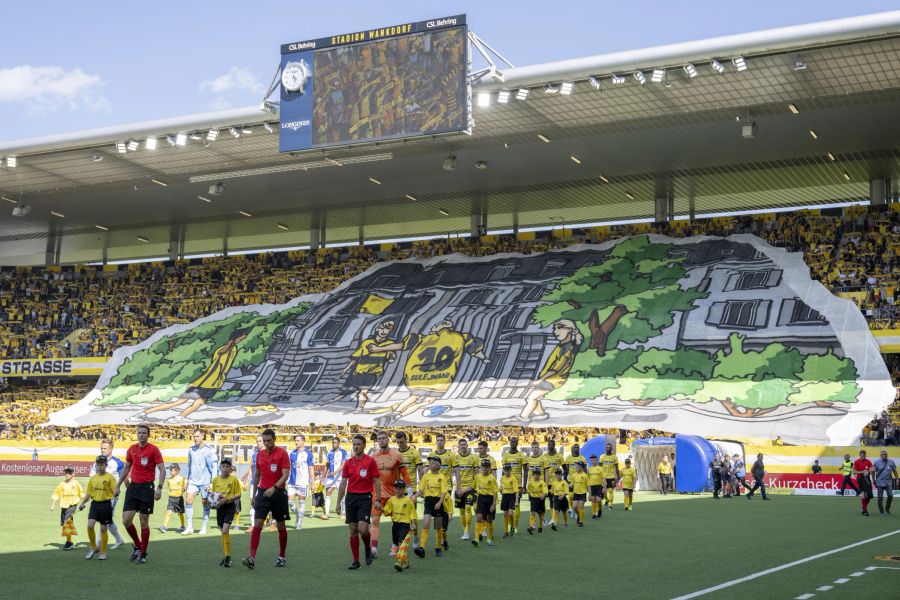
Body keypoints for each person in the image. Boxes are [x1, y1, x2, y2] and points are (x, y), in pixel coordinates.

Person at [129, 328, 250, 423]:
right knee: (178, 402)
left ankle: (179, 417)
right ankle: (143, 413)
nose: (241, 340)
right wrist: (230, 343)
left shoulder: (234, 349)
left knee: (200, 402)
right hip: (205, 382)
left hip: (215, 383)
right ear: (235, 338)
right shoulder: (224, 348)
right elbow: (222, 352)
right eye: (241, 338)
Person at [506, 319, 581, 422]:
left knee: (531, 398)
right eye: (555, 329)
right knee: (535, 397)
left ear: (569, 330)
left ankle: (524, 417)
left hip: (553, 379)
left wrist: (540, 379)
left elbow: (556, 368)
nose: (555, 332)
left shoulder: (567, 348)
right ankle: (541, 414)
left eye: (559, 328)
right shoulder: (563, 346)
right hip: (550, 378)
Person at [115, 424, 165, 563]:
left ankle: (143, 554)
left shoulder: (154, 449)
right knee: (126, 520)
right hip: (133, 488)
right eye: (139, 432)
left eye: (144, 433)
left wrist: (159, 487)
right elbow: (126, 468)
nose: (141, 434)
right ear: (136, 434)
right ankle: (137, 545)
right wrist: (118, 485)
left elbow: (162, 469)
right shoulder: (132, 449)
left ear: (148, 435)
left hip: (147, 488)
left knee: (143, 520)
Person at [242, 428, 291, 569]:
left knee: (281, 526)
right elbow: (257, 475)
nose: (267, 443)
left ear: (274, 439)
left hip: (278, 493)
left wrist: (275, 487)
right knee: (257, 525)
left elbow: (285, 475)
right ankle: (251, 558)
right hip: (263, 493)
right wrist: (254, 494)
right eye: (265, 441)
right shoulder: (260, 455)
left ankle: (281, 556)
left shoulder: (282, 453)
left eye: (269, 441)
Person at [336, 434, 382, 569]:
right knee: (353, 530)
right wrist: (338, 502)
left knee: (363, 529)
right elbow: (343, 484)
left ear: (364, 446)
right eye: (354, 444)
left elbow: (376, 481)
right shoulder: (348, 463)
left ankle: (367, 547)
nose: (356, 446)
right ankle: (356, 561)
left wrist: (378, 499)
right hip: (351, 498)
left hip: (365, 498)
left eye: (358, 444)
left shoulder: (370, 461)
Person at [340, 319, 397, 411]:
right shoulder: (367, 342)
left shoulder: (389, 344)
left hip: (373, 372)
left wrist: (391, 355)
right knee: (354, 390)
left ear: (389, 331)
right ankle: (357, 403)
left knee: (363, 391)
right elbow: (356, 357)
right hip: (359, 371)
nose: (383, 331)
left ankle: (360, 408)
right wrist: (345, 370)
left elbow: (391, 359)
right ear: (377, 329)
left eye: (387, 329)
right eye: (382, 328)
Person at [372, 431, 409, 557]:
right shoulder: (373, 456)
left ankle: (395, 546)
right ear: (377, 441)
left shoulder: (397, 455)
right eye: (379, 439)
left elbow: (404, 473)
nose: (381, 440)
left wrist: (409, 489)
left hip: (394, 495)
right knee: (375, 520)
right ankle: (373, 549)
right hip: (377, 495)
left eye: (384, 438)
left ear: (388, 440)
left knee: (397, 523)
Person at [77, 455, 116, 560]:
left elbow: (115, 490)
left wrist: (116, 492)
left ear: (106, 465)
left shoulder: (110, 477)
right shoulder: (93, 478)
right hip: (95, 505)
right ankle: (94, 547)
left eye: (102, 464)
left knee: (103, 529)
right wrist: (82, 503)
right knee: (90, 526)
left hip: (106, 504)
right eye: (98, 464)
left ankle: (103, 552)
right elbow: (88, 493)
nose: (99, 466)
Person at [90, 438, 125, 548]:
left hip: (111, 496)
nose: (102, 450)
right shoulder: (97, 462)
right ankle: (119, 540)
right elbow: (92, 477)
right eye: (101, 448)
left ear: (111, 449)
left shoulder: (117, 462)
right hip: (99, 496)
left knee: (103, 518)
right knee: (107, 520)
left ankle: (97, 543)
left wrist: (120, 489)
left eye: (105, 448)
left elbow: (124, 477)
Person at [182, 429, 217, 536]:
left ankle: (204, 527)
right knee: (188, 500)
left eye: (197, 436)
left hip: (206, 481)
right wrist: (186, 479)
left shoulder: (210, 450)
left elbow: (215, 466)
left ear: (203, 436)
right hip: (193, 480)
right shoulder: (191, 450)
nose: (195, 438)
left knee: (205, 503)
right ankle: (189, 527)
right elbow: (189, 465)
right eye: (194, 436)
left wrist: (212, 482)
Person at [210, 458, 242, 567]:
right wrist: (213, 503)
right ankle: (226, 556)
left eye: (227, 466)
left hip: (229, 506)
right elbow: (213, 495)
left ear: (230, 468)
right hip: (220, 508)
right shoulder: (215, 480)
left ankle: (228, 557)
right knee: (223, 533)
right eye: (223, 466)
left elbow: (238, 494)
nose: (225, 468)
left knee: (225, 530)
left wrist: (227, 499)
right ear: (220, 468)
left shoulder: (234, 480)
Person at [414, 455, 448, 557]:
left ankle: (438, 547)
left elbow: (443, 492)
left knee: (438, 526)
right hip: (428, 501)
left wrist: (439, 503)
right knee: (426, 524)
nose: (430, 464)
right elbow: (421, 490)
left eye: (433, 462)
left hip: (438, 501)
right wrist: (414, 496)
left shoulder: (442, 477)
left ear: (438, 465)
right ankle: (422, 547)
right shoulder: (425, 476)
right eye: (430, 462)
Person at [382, 479, 417, 572]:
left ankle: (399, 562)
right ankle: (406, 561)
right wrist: (381, 508)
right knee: (397, 544)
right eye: (396, 488)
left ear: (404, 489)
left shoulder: (408, 500)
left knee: (402, 544)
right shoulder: (392, 499)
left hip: (405, 524)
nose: (398, 490)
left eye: (400, 488)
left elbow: (412, 513)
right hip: (395, 524)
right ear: (394, 489)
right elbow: (387, 511)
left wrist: (413, 524)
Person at [430, 434, 457, 549]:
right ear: (436, 442)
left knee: (444, 512)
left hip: (447, 488)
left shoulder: (450, 455)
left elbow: (456, 471)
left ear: (444, 442)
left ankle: (443, 535)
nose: (440, 442)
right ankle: (440, 536)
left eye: (442, 440)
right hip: (434, 489)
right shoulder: (431, 455)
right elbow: (427, 469)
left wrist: (459, 486)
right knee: (437, 512)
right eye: (438, 440)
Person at [50, 465, 83, 550]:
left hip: (72, 506)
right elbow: (56, 494)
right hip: (64, 507)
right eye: (66, 472)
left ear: (73, 474)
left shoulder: (76, 483)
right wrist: (53, 504)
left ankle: (68, 543)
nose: (67, 474)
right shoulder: (62, 484)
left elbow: (82, 494)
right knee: (65, 524)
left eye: (69, 472)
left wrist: (84, 502)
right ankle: (70, 542)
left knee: (67, 522)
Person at [288, 433, 315, 531]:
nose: (296, 442)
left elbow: (311, 468)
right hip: (292, 482)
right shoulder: (292, 453)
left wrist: (312, 483)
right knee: (290, 502)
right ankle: (297, 516)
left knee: (301, 502)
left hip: (302, 482)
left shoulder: (308, 453)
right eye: (295, 440)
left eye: (298, 440)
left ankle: (299, 523)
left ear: (303, 441)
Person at [454, 438, 479, 540]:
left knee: (468, 508)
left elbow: (477, 474)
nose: (463, 446)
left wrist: (474, 487)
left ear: (467, 445)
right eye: (461, 445)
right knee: (461, 510)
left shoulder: (474, 458)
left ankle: (467, 531)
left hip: (470, 488)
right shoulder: (455, 458)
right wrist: (457, 488)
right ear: (458, 446)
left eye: (465, 444)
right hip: (459, 488)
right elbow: (454, 473)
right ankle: (465, 531)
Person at [502, 436, 526, 533]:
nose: (513, 443)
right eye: (512, 442)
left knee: (516, 505)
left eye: (515, 442)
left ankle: (515, 526)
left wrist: (524, 485)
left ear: (517, 443)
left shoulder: (521, 455)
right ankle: (509, 525)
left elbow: (525, 471)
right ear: (510, 443)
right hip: (507, 485)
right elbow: (504, 472)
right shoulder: (506, 456)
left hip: (518, 484)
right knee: (507, 508)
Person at [472, 459, 498, 546]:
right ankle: (476, 538)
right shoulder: (477, 477)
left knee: (489, 520)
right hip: (481, 499)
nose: (485, 468)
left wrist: (493, 504)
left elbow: (495, 492)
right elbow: (473, 487)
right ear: (481, 467)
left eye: (487, 467)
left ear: (490, 468)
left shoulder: (492, 478)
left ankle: (489, 538)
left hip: (490, 499)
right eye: (483, 466)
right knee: (479, 518)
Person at [325, 436, 349, 520]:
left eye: (335, 443)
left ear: (339, 443)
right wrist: (324, 474)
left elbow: (343, 464)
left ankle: (343, 512)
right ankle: (327, 514)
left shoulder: (343, 452)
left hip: (340, 477)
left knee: (342, 494)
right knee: (328, 492)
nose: (334, 444)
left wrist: (336, 472)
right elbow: (327, 464)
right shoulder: (329, 453)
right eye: (333, 443)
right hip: (331, 477)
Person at [159, 463, 186, 533]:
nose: (170, 471)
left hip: (179, 499)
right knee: (168, 512)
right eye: (170, 470)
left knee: (180, 513)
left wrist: (185, 486)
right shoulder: (169, 480)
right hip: (171, 498)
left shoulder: (181, 479)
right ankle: (164, 526)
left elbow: (184, 487)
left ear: (177, 471)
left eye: (172, 470)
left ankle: (182, 526)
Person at [873, 450, 897, 515]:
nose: (885, 455)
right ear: (880, 455)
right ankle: (881, 511)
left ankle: (887, 508)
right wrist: (873, 480)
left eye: (886, 454)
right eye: (883, 454)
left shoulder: (891, 462)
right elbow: (872, 472)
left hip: (888, 482)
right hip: (880, 482)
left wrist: (897, 479)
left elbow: (895, 471)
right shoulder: (876, 462)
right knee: (880, 498)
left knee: (891, 495)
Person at [499, 464, 519, 537]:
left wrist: (516, 501)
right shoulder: (502, 478)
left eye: (508, 470)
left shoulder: (513, 478)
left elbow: (516, 491)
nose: (507, 472)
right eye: (505, 470)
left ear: (510, 470)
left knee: (510, 514)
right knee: (505, 514)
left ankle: (512, 527)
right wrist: (500, 489)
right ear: (504, 471)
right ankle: (506, 531)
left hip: (511, 496)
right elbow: (501, 487)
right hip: (504, 496)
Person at [853, 450, 875, 516]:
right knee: (863, 494)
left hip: (867, 479)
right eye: (861, 455)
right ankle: (865, 511)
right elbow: (855, 472)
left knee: (869, 496)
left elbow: (872, 469)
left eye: (863, 455)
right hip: (860, 479)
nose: (862, 457)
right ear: (859, 455)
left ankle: (863, 506)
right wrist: (863, 471)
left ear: (865, 455)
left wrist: (872, 470)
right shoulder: (856, 462)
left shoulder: (868, 461)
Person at [526, 466, 548, 533]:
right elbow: (528, 491)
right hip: (533, 499)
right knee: (532, 513)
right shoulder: (530, 483)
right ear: (532, 475)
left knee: (540, 514)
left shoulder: (542, 483)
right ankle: (532, 527)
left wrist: (543, 495)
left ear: (540, 475)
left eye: (537, 474)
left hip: (540, 500)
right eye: (535, 474)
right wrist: (528, 493)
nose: (536, 475)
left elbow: (545, 491)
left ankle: (540, 527)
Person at [600, 443, 619, 509]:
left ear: (611, 448)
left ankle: (610, 504)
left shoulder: (614, 457)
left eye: (609, 447)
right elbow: (600, 467)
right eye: (607, 447)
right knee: (604, 491)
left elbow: (616, 468)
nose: (607, 448)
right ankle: (607, 500)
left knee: (610, 490)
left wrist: (618, 476)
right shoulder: (602, 456)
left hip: (611, 476)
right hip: (604, 477)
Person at [569, 461, 589, 525]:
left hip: (582, 493)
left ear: (581, 467)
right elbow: (572, 483)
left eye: (578, 466)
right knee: (574, 507)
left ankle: (581, 521)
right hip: (576, 493)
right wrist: (570, 485)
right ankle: (579, 515)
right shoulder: (574, 475)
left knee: (581, 507)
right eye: (576, 466)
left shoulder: (585, 475)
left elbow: (588, 485)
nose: (576, 467)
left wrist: (590, 494)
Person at [588, 454, 605, 519]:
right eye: (591, 460)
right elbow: (588, 478)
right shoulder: (589, 469)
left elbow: (603, 478)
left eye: (594, 460)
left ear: (596, 460)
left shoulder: (600, 468)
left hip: (599, 486)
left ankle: (600, 509)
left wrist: (604, 487)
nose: (592, 461)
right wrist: (588, 488)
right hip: (592, 486)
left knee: (598, 500)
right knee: (593, 500)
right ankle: (594, 514)